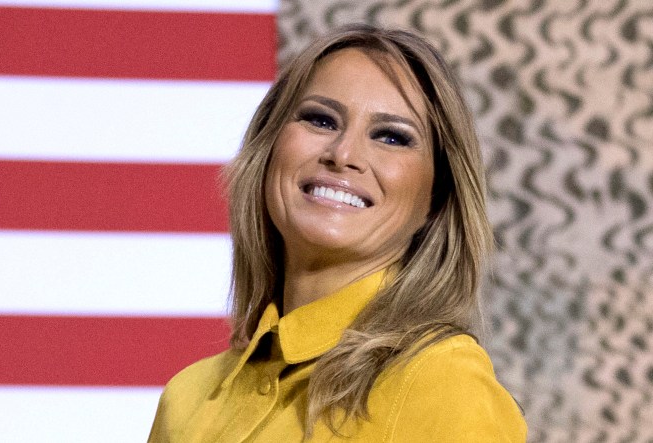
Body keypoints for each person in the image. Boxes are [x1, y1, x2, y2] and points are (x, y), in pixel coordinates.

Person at [148, 24, 527, 442]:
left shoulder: (446, 387)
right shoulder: (186, 399)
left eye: (392, 137)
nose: (343, 154)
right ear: (268, 147)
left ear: (435, 198)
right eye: (320, 119)